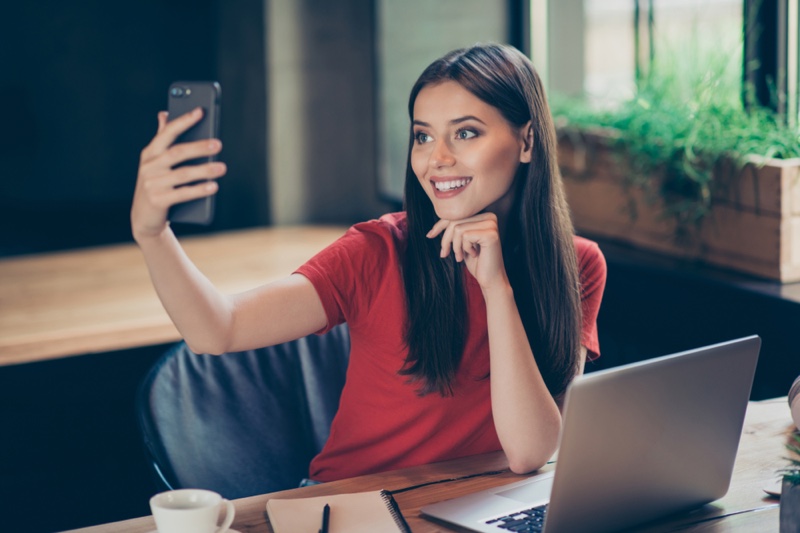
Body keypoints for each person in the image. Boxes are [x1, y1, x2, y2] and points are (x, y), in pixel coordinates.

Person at [131, 43, 606, 484]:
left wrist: (496, 288)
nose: (436, 159)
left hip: (474, 504)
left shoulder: (577, 265)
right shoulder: (377, 251)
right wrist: (152, 233)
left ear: (527, 142)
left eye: (465, 133)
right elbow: (218, 329)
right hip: (351, 507)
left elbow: (530, 453)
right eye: (423, 137)